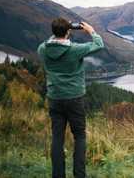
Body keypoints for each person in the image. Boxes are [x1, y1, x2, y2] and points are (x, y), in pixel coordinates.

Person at [37, 18, 104, 178]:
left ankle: (58, 175)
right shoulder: (75, 49)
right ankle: (79, 175)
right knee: (79, 136)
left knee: (57, 137)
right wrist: (91, 31)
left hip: (54, 98)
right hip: (75, 98)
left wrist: (60, 31)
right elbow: (99, 45)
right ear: (68, 31)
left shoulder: (42, 49)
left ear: (53, 32)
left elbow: (48, 43)